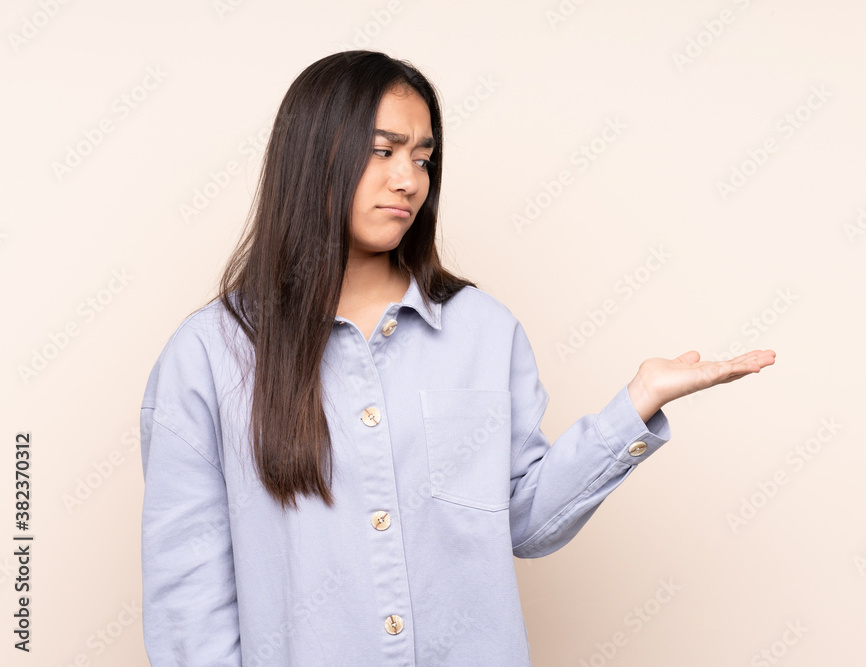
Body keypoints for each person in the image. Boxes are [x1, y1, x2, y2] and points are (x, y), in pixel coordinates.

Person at [139, 50, 775, 666]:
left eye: (423, 158)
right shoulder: (209, 355)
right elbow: (187, 601)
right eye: (383, 151)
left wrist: (636, 404)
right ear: (312, 156)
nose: (408, 180)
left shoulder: (484, 331)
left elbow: (526, 522)